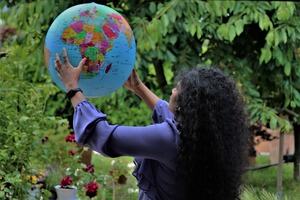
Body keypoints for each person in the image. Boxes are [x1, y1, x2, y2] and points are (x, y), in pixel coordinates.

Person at [55, 48, 250, 200]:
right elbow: (168, 113)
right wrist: (138, 88)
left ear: (186, 105)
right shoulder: (205, 139)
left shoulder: (167, 139)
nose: (172, 90)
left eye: (177, 88)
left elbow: (102, 135)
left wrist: (72, 88)